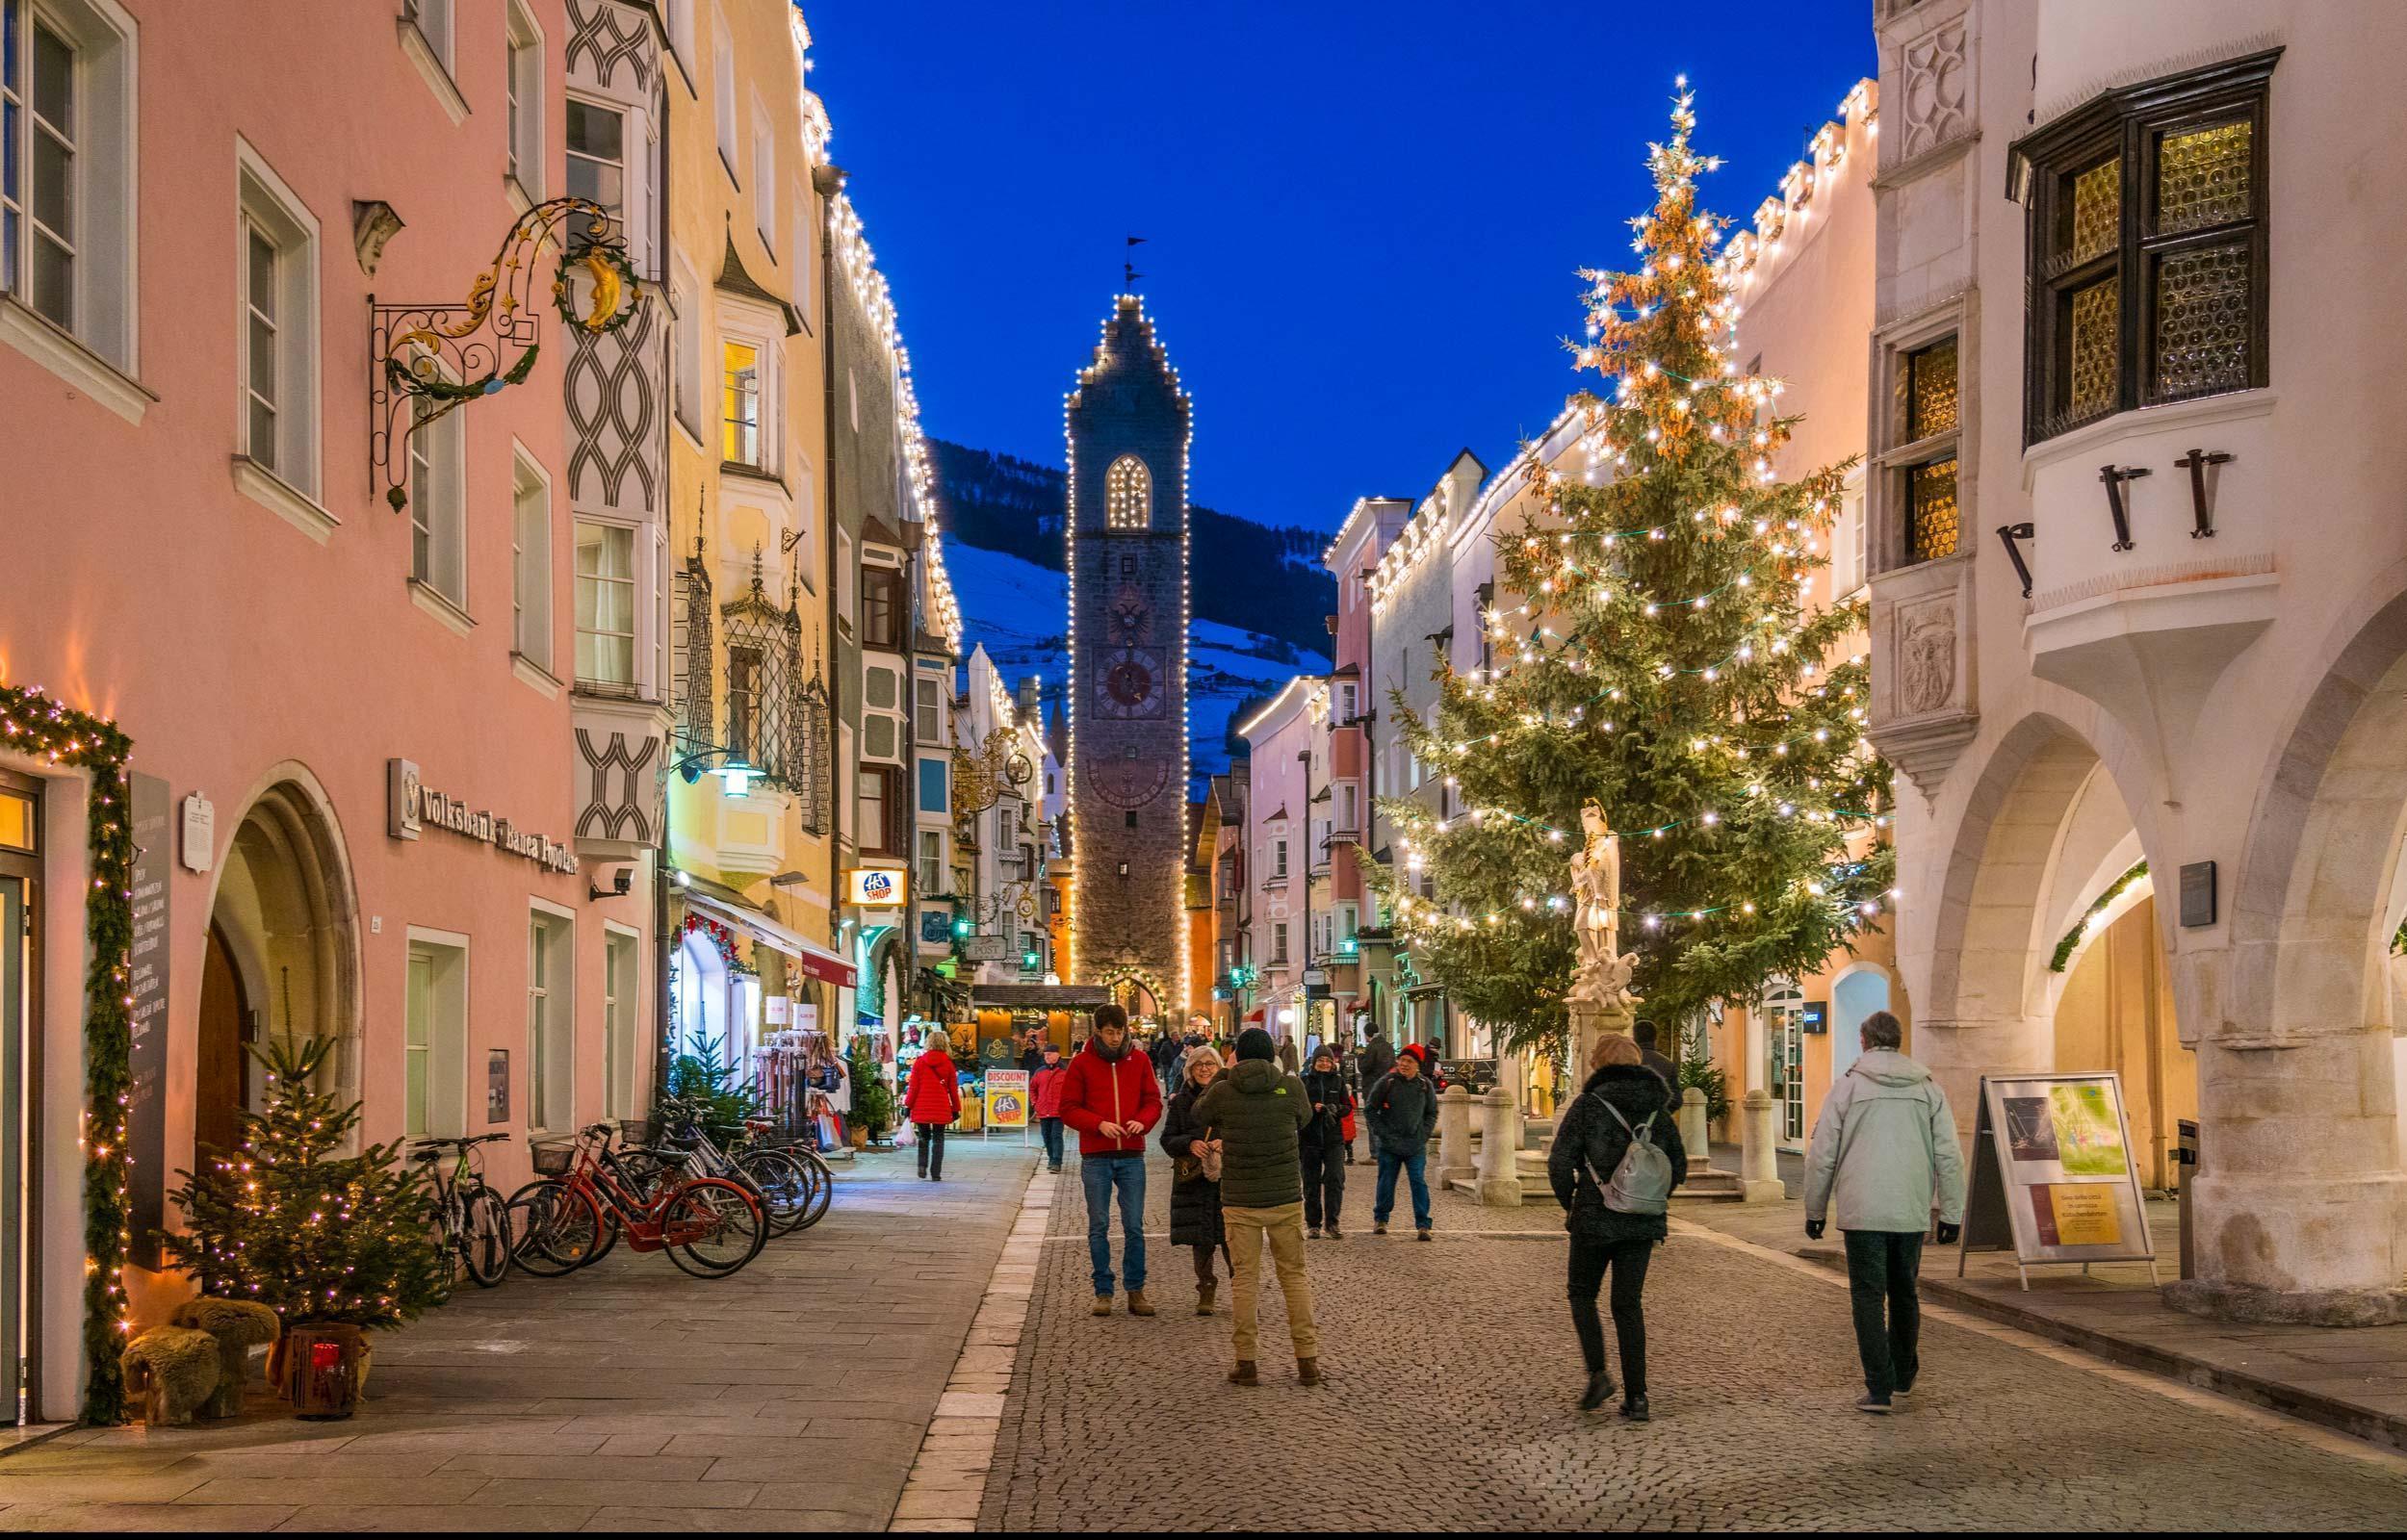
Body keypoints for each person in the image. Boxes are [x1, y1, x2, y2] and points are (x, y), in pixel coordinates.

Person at [1802, 1010, 1967, 1415]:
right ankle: (1904, 1376)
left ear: (1864, 1041)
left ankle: (1878, 1387)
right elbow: (1949, 1153)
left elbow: (1822, 1154)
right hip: (1909, 1208)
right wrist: (1951, 1212)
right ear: (1898, 1040)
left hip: (1862, 1210)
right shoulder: (1929, 1088)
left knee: (1867, 1296)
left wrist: (1815, 1209)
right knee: (1904, 1292)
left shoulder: (1846, 1088)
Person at [1548, 1034, 1688, 1422]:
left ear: (1599, 1065)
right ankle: (1638, 1397)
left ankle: (1598, 1374)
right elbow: (1677, 1165)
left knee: (1581, 1294)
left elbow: (1560, 1163)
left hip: (1594, 1217)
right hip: (1641, 1222)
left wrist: (1571, 1203)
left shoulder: (1588, 1105)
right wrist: (1648, 1198)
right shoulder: (1658, 1110)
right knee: (1628, 1305)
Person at [1195, 1027, 1320, 1387]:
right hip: (1284, 1198)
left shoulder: (1223, 1090)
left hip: (1240, 1200)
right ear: (1271, 1056)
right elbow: (1305, 1119)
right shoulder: (1292, 1086)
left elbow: (1199, 1113)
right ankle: (1307, 1360)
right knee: (1294, 1278)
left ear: (1238, 1055)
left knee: (1245, 1280)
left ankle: (1246, 1361)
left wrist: (1223, 1072)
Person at [1056, 1003, 1164, 1317]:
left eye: (1119, 1032)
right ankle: (1103, 1290)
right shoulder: (1081, 1064)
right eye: (1109, 1032)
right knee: (1098, 1225)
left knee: (1134, 1226)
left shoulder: (1140, 1060)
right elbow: (1069, 1108)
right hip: (1096, 1156)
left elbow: (1152, 1101)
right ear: (1098, 1032)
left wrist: (1143, 1121)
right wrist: (1098, 1123)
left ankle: (1136, 1290)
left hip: (1132, 1154)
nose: (1115, 1038)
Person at [1157, 1048, 1228, 1316]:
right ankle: (1206, 1287)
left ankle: (1243, 1291)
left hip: (1225, 1177)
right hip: (1194, 1178)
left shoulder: (1228, 1097)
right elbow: (1167, 1139)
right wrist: (1189, 1143)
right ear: (1189, 1069)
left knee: (1233, 1238)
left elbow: (1243, 1132)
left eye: (1210, 1064)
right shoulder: (1181, 1102)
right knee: (1201, 1240)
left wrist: (1226, 1141)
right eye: (1199, 1064)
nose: (1204, 1069)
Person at [1364, 1041, 1439, 1239]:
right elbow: (1370, 1110)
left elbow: (1432, 1113)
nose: (1404, 1064)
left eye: (1409, 1061)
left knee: (1418, 1182)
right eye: (1402, 1060)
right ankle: (1381, 1219)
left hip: (1415, 1145)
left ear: (1418, 1065)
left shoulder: (1425, 1085)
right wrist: (1382, 1133)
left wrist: (1423, 1134)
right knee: (1386, 1183)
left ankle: (1423, 1224)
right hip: (1390, 1145)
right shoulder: (1387, 1082)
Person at [1299, 1044, 1354, 1239]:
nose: (1324, 1063)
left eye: (1328, 1061)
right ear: (1314, 1063)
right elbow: (1298, 1108)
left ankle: (1333, 1222)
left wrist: (1334, 1108)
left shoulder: (1338, 1082)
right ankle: (1313, 1224)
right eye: (1320, 1060)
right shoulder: (1304, 1081)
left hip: (1333, 1139)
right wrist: (1311, 1108)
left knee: (1335, 1179)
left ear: (1333, 1063)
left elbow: (1347, 1107)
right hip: (1309, 1138)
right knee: (1311, 1183)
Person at [902, 1027, 963, 1182]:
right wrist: (956, 1109)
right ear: (944, 1044)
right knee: (939, 1139)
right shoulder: (948, 1064)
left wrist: (908, 1106)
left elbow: (913, 1088)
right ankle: (936, 1172)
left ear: (928, 1043)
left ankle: (922, 1166)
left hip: (921, 1106)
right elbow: (953, 1090)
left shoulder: (920, 1063)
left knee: (923, 1137)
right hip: (941, 1107)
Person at [1030, 1041, 1070, 1173]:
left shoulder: (1065, 1072)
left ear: (1057, 1055)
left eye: (1049, 1054)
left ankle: (1056, 1162)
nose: (1046, 1057)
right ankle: (1052, 1158)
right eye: (1045, 1054)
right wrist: (1035, 1104)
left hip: (1059, 1111)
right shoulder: (1040, 1072)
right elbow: (1032, 1088)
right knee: (1046, 1135)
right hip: (1043, 1110)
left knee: (1056, 1135)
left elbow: (1073, 1090)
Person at [1633, 1020, 1680, 1099]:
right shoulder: (1668, 1064)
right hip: (1659, 1108)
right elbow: (1676, 1098)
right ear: (1655, 1038)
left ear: (1634, 1037)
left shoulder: (1625, 1062)